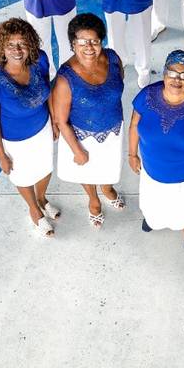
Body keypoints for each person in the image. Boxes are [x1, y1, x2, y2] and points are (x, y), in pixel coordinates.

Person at [129, 50, 184, 255]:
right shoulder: (147, 95)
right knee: (154, 200)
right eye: (172, 73)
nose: (177, 79)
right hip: (152, 166)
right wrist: (132, 155)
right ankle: (154, 219)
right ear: (164, 73)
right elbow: (134, 125)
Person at [0, 18, 61, 238]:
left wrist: (54, 121)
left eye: (22, 43)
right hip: (16, 140)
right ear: (2, 49)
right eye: (10, 45)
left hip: (43, 127)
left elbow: (47, 93)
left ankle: (42, 199)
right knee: (24, 176)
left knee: (45, 168)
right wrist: (1, 156)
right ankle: (34, 209)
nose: (17, 50)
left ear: (30, 44)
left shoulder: (40, 61)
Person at [52, 13, 128, 229]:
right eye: (82, 42)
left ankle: (107, 188)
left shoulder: (113, 58)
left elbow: (118, 83)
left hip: (113, 128)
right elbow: (61, 120)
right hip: (82, 136)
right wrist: (77, 150)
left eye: (94, 41)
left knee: (109, 166)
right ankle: (94, 199)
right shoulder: (66, 78)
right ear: (73, 44)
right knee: (87, 169)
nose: (89, 47)